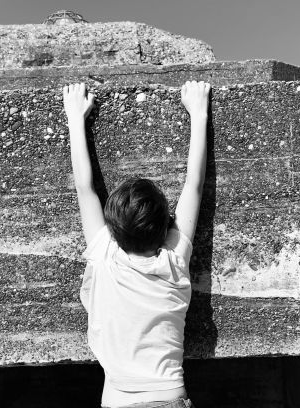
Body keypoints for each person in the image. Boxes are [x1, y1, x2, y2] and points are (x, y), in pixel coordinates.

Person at [63, 81, 210, 408]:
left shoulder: (104, 254)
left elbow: (84, 188)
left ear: (113, 229)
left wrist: (76, 117)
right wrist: (198, 114)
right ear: (165, 227)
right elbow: (194, 186)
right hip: (168, 398)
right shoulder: (172, 261)